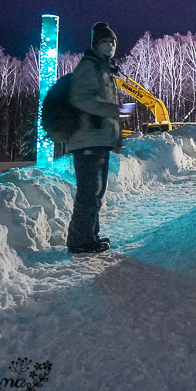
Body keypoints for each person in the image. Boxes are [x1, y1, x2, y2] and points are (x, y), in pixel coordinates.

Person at [65, 22, 124, 255]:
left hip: (97, 139)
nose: (109, 46)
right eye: (104, 42)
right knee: (89, 192)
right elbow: (80, 99)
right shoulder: (89, 67)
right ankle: (79, 241)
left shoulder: (103, 69)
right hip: (86, 139)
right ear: (95, 44)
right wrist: (112, 109)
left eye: (112, 43)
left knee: (96, 192)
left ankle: (90, 236)